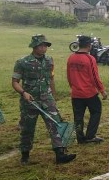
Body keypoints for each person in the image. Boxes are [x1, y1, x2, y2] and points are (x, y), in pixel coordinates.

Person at [12, 35, 76, 165]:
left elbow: (51, 78)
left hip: (47, 99)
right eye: (42, 45)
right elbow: (15, 82)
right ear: (34, 46)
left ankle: (60, 154)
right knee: (27, 129)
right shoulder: (22, 62)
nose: (44, 48)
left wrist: (53, 95)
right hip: (30, 101)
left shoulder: (49, 60)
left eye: (46, 45)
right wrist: (24, 93)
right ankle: (25, 155)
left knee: (55, 124)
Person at [67, 35, 107, 144]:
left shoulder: (71, 57)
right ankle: (90, 136)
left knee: (78, 117)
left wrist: (74, 87)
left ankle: (80, 138)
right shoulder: (90, 59)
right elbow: (95, 77)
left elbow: (69, 76)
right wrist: (102, 90)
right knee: (96, 111)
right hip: (89, 93)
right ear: (89, 46)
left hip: (76, 93)